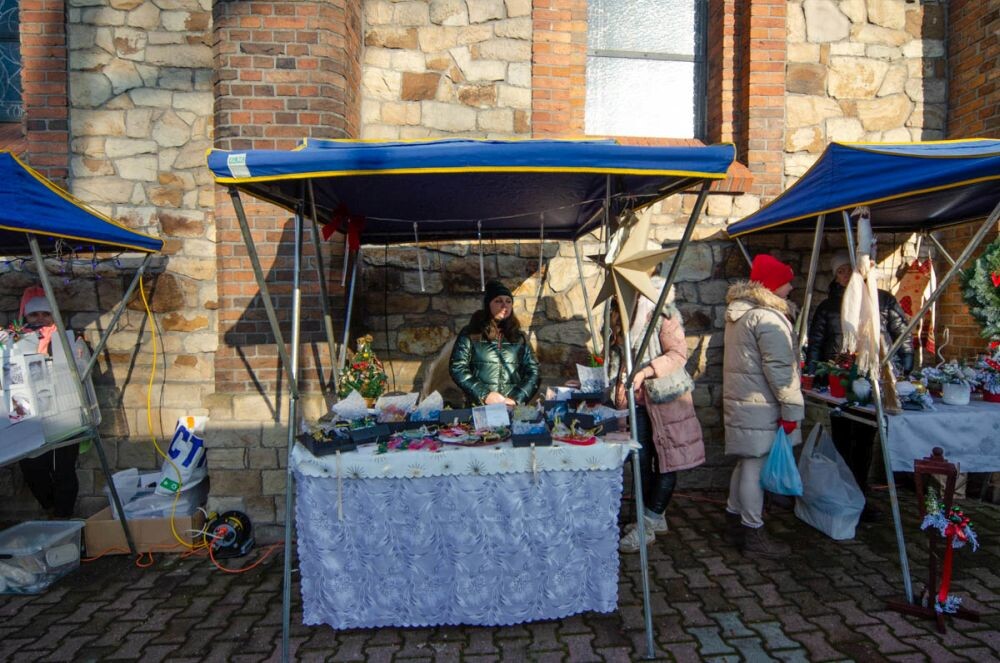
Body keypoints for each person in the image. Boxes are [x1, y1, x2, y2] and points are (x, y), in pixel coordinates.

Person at [807, 250, 913, 521]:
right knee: (843, 437)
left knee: (866, 439)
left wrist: (906, 362)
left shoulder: (883, 300)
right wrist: (816, 372)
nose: (845, 276)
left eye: (849, 270)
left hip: (875, 376)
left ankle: (861, 492)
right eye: (840, 272)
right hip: (839, 379)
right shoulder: (827, 306)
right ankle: (845, 491)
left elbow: (902, 333)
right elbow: (817, 342)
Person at [609, 278, 705, 552]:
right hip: (636, 401)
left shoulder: (665, 313)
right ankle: (653, 516)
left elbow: (678, 354)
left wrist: (646, 371)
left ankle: (648, 523)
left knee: (668, 461)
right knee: (639, 462)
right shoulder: (621, 312)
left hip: (666, 398)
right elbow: (619, 356)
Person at [723, 254, 803, 559]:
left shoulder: (741, 313)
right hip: (762, 405)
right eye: (786, 280)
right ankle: (753, 532)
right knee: (754, 467)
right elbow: (781, 371)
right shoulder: (767, 318)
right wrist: (792, 411)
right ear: (771, 285)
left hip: (747, 402)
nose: (791, 287)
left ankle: (733, 519)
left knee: (746, 463)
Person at [15, 287, 80, 518]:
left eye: (45, 313)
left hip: (64, 412)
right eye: (34, 315)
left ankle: (64, 516)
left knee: (63, 469)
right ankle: (51, 508)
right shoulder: (14, 340)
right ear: (26, 316)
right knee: (33, 468)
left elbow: (81, 365)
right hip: (28, 415)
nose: (40, 319)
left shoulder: (65, 338)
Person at [449, 280, 540, 406]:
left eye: (508, 301)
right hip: (479, 407)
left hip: (511, 408)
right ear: (488, 305)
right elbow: (457, 367)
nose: (504, 305)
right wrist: (484, 395)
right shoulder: (471, 333)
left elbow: (534, 371)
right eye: (498, 301)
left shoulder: (519, 337)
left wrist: (516, 399)